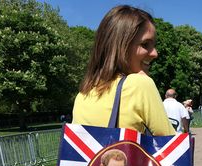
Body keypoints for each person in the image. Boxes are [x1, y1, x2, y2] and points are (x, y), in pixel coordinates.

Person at [71, 5, 175, 136]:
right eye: (145, 45)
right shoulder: (140, 85)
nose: (155, 53)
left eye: (154, 45)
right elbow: (175, 149)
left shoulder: (83, 94)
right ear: (121, 47)